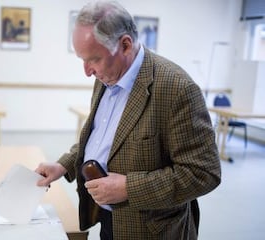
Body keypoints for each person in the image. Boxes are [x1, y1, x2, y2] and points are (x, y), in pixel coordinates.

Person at [35, 1, 221, 239]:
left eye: (93, 59)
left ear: (125, 45)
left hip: (149, 229)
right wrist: (63, 165)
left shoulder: (177, 89)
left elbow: (203, 173)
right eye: (82, 59)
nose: (87, 71)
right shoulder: (107, 74)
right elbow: (102, 136)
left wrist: (128, 188)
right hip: (106, 217)